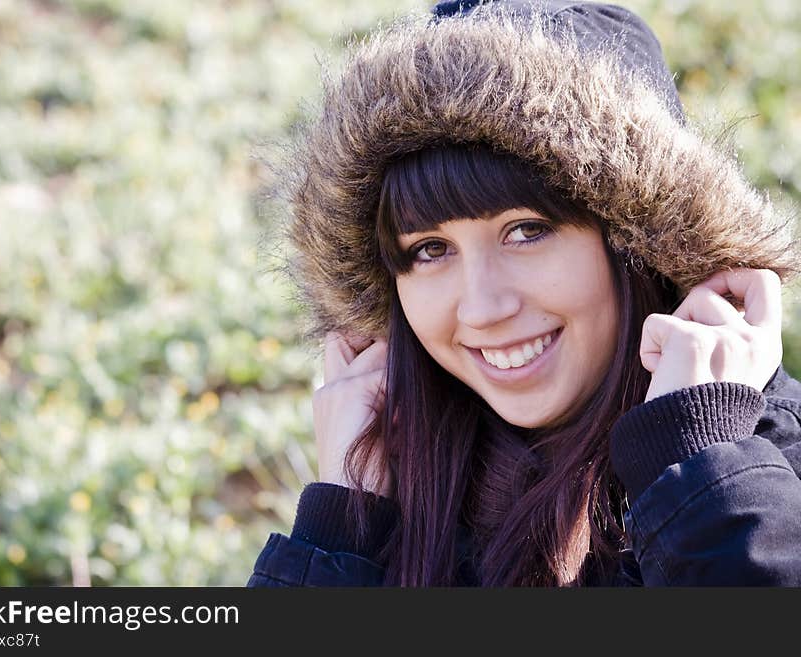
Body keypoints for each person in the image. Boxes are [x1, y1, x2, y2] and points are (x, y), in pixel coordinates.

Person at [247, 0, 801, 586]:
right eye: (430, 250)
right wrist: (341, 528)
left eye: (527, 231)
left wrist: (701, 471)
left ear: (641, 241)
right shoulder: (406, 491)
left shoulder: (766, 474)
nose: (483, 308)